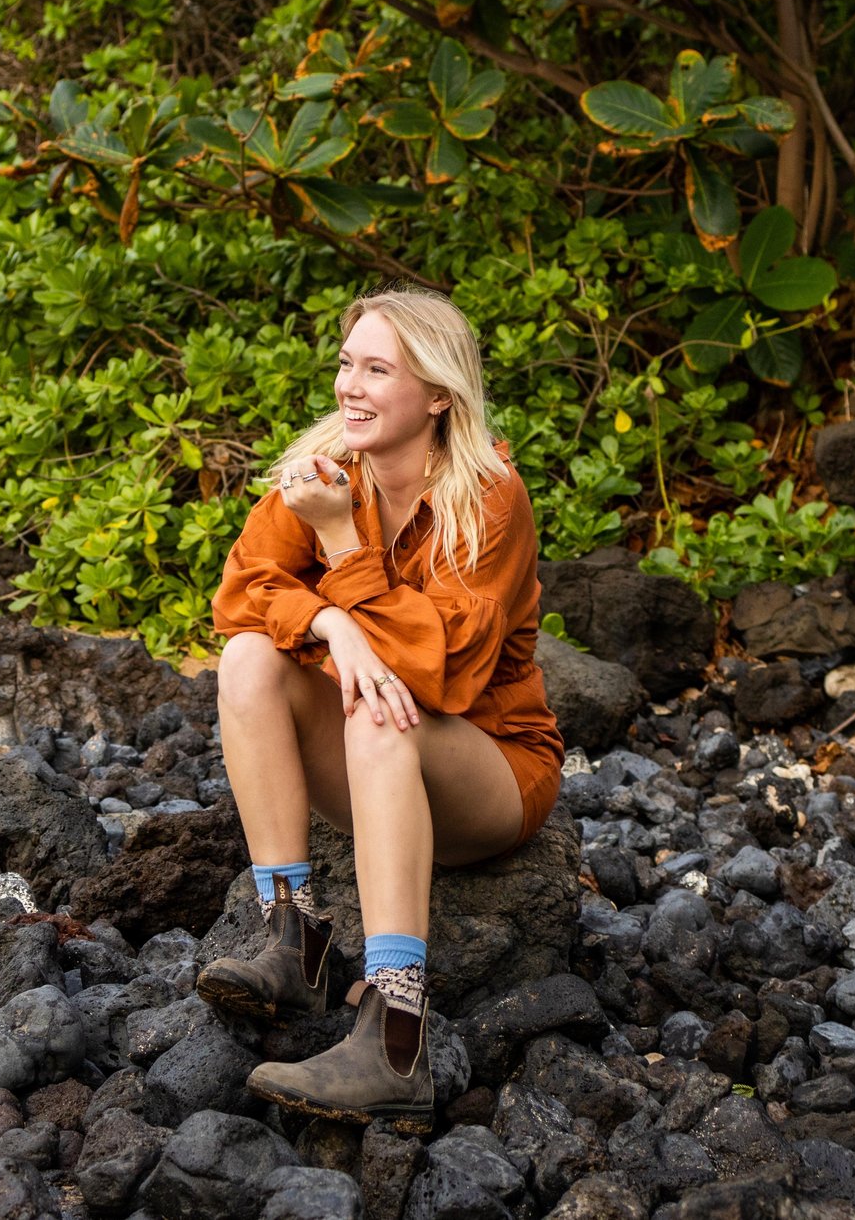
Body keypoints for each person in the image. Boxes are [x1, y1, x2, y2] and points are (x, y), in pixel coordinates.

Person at [195, 287, 565, 1131]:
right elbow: (240, 596)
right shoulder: (327, 469)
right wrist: (331, 621)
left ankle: (397, 1032)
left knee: (382, 705)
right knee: (249, 659)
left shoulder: (489, 494)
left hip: (490, 769)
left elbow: (444, 676)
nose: (348, 387)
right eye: (344, 363)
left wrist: (339, 550)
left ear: (439, 394)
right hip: (376, 763)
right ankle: (295, 937)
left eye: (376, 369)